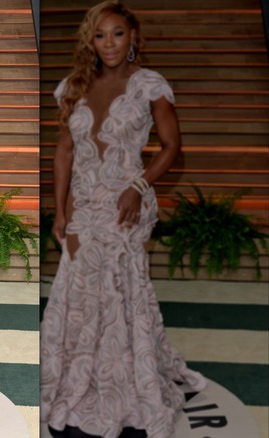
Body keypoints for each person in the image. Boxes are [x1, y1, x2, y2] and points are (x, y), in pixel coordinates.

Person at [40, 2, 206, 438]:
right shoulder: (73, 86)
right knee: (77, 294)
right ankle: (76, 379)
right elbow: (65, 152)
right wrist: (60, 210)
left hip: (123, 207)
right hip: (81, 209)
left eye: (117, 33)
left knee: (117, 293)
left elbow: (172, 146)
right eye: (99, 35)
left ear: (132, 36)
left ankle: (123, 386)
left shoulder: (149, 85)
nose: (109, 43)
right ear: (89, 41)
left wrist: (138, 184)